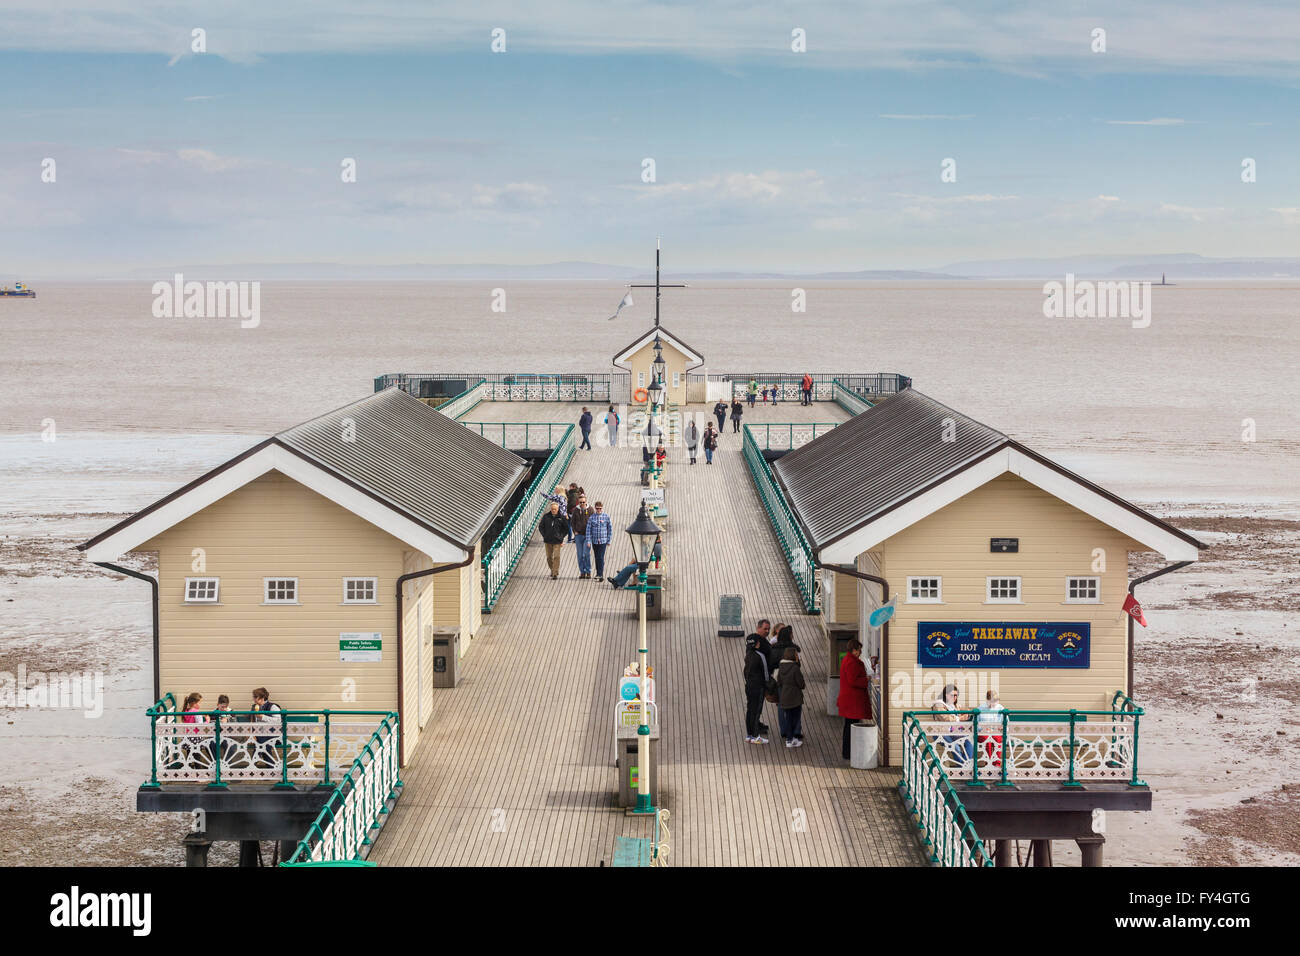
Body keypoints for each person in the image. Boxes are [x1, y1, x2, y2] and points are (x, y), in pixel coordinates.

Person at [836, 639, 872, 761]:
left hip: (848, 700)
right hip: (853, 701)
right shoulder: (852, 663)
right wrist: (866, 679)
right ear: (854, 650)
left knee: (848, 726)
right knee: (851, 726)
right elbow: (853, 680)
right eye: (859, 650)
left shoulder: (847, 660)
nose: (860, 652)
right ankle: (848, 752)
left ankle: (847, 752)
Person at [931, 684, 973, 765]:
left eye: (956, 695)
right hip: (942, 733)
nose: (955, 697)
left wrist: (967, 713)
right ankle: (962, 768)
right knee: (955, 746)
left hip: (954, 732)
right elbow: (944, 718)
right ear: (946, 695)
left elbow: (965, 710)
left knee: (969, 742)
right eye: (952, 695)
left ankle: (966, 766)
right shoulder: (938, 704)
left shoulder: (955, 705)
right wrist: (960, 718)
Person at [743, 633, 772, 744]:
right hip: (758, 686)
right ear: (757, 644)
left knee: (750, 709)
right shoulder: (760, 655)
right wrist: (767, 684)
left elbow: (745, 672)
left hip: (749, 685)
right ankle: (756, 736)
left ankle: (749, 735)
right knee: (756, 711)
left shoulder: (748, 655)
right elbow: (765, 674)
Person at [777, 647, 805, 747]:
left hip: (785, 696)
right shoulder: (795, 668)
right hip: (795, 698)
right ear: (794, 656)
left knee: (788, 718)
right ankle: (793, 739)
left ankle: (789, 740)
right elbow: (801, 684)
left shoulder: (781, 667)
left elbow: (779, 681)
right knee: (795, 718)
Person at [538, 501, 568, 580]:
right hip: (548, 540)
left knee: (556, 556)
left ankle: (555, 573)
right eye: (552, 509)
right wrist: (544, 535)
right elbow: (541, 527)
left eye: (555, 509)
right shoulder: (546, 517)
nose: (553, 510)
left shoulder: (561, 517)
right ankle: (552, 569)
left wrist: (561, 537)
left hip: (557, 540)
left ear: (558, 509)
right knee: (549, 557)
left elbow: (566, 529)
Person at [978, 689, 1006, 767]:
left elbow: (1006, 722)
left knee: (997, 739)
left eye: (996, 700)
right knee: (987, 740)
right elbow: (976, 723)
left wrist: (1002, 727)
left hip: (996, 732)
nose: (994, 703)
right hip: (983, 733)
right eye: (992, 700)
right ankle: (988, 763)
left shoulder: (1000, 708)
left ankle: (996, 764)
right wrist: (982, 729)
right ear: (988, 700)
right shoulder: (981, 708)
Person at [569, 492, 594, 579]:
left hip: (587, 536)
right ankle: (582, 572)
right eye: (580, 502)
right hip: (578, 536)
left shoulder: (590, 510)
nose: (582, 504)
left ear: (586, 502)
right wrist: (574, 531)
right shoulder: (576, 510)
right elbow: (572, 522)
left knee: (586, 554)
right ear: (578, 502)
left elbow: (593, 522)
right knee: (580, 555)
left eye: (583, 502)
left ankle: (588, 571)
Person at [587, 500, 613, 580]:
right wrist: (588, 541)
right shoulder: (591, 518)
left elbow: (610, 529)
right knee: (596, 557)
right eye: (597, 508)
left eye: (600, 508)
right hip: (595, 541)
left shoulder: (606, 517)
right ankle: (598, 572)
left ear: (602, 508)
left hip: (603, 541)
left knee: (600, 557)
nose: (599, 510)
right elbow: (588, 530)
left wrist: (609, 540)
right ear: (595, 508)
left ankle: (600, 574)